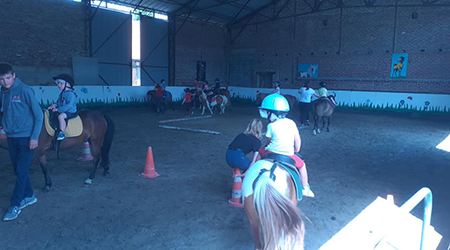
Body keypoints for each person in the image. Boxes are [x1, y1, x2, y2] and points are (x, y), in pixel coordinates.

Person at [0, 63, 44, 221]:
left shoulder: (25, 90)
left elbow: (39, 115)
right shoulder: (3, 92)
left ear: (14, 76)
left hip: (26, 138)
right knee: (17, 169)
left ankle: (15, 204)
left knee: (21, 171)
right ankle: (30, 196)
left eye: (7, 78)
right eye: (1, 79)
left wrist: (34, 137)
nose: (5, 82)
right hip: (11, 137)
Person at [256, 93, 314, 197]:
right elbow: (297, 139)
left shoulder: (271, 126)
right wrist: (296, 150)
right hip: (288, 154)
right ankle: (305, 187)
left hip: (271, 152)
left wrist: (266, 148)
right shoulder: (291, 123)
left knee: (260, 152)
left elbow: (268, 141)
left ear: (271, 113)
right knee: (302, 166)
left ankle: (255, 170)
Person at [47, 74, 77, 140]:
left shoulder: (71, 94)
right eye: (58, 83)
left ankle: (62, 132)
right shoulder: (62, 93)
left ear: (68, 84)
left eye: (61, 83)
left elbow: (69, 105)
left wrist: (58, 109)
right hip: (63, 109)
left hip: (70, 111)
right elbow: (58, 102)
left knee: (61, 116)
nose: (58, 85)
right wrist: (53, 106)